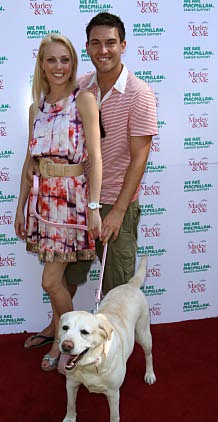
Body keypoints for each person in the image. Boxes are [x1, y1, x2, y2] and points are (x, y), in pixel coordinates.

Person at [24, 12, 158, 353]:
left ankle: (114, 357)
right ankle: (59, 332)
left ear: (123, 45)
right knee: (64, 279)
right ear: (87, 47)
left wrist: (116, 212)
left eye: (110, 42)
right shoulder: (80, 85)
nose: (103, 50)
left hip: (115, 204)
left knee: (116, 287)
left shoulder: (140, 94)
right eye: (96, 43)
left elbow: (139, 157)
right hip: (75, 207)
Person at [14, 33, 102, 371]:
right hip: (42, 202)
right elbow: (28, 161)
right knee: (57, 282)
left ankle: (65, 343)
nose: (59, 66)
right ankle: (58, 329)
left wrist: (93, 207)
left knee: (51, 281)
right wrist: (21, 206)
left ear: (73, 64)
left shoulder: (84, 100)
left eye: (65, 60)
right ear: (41, 64)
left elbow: (95, 157)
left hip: (71, 202)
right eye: (51, 60)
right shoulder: (37, 106)